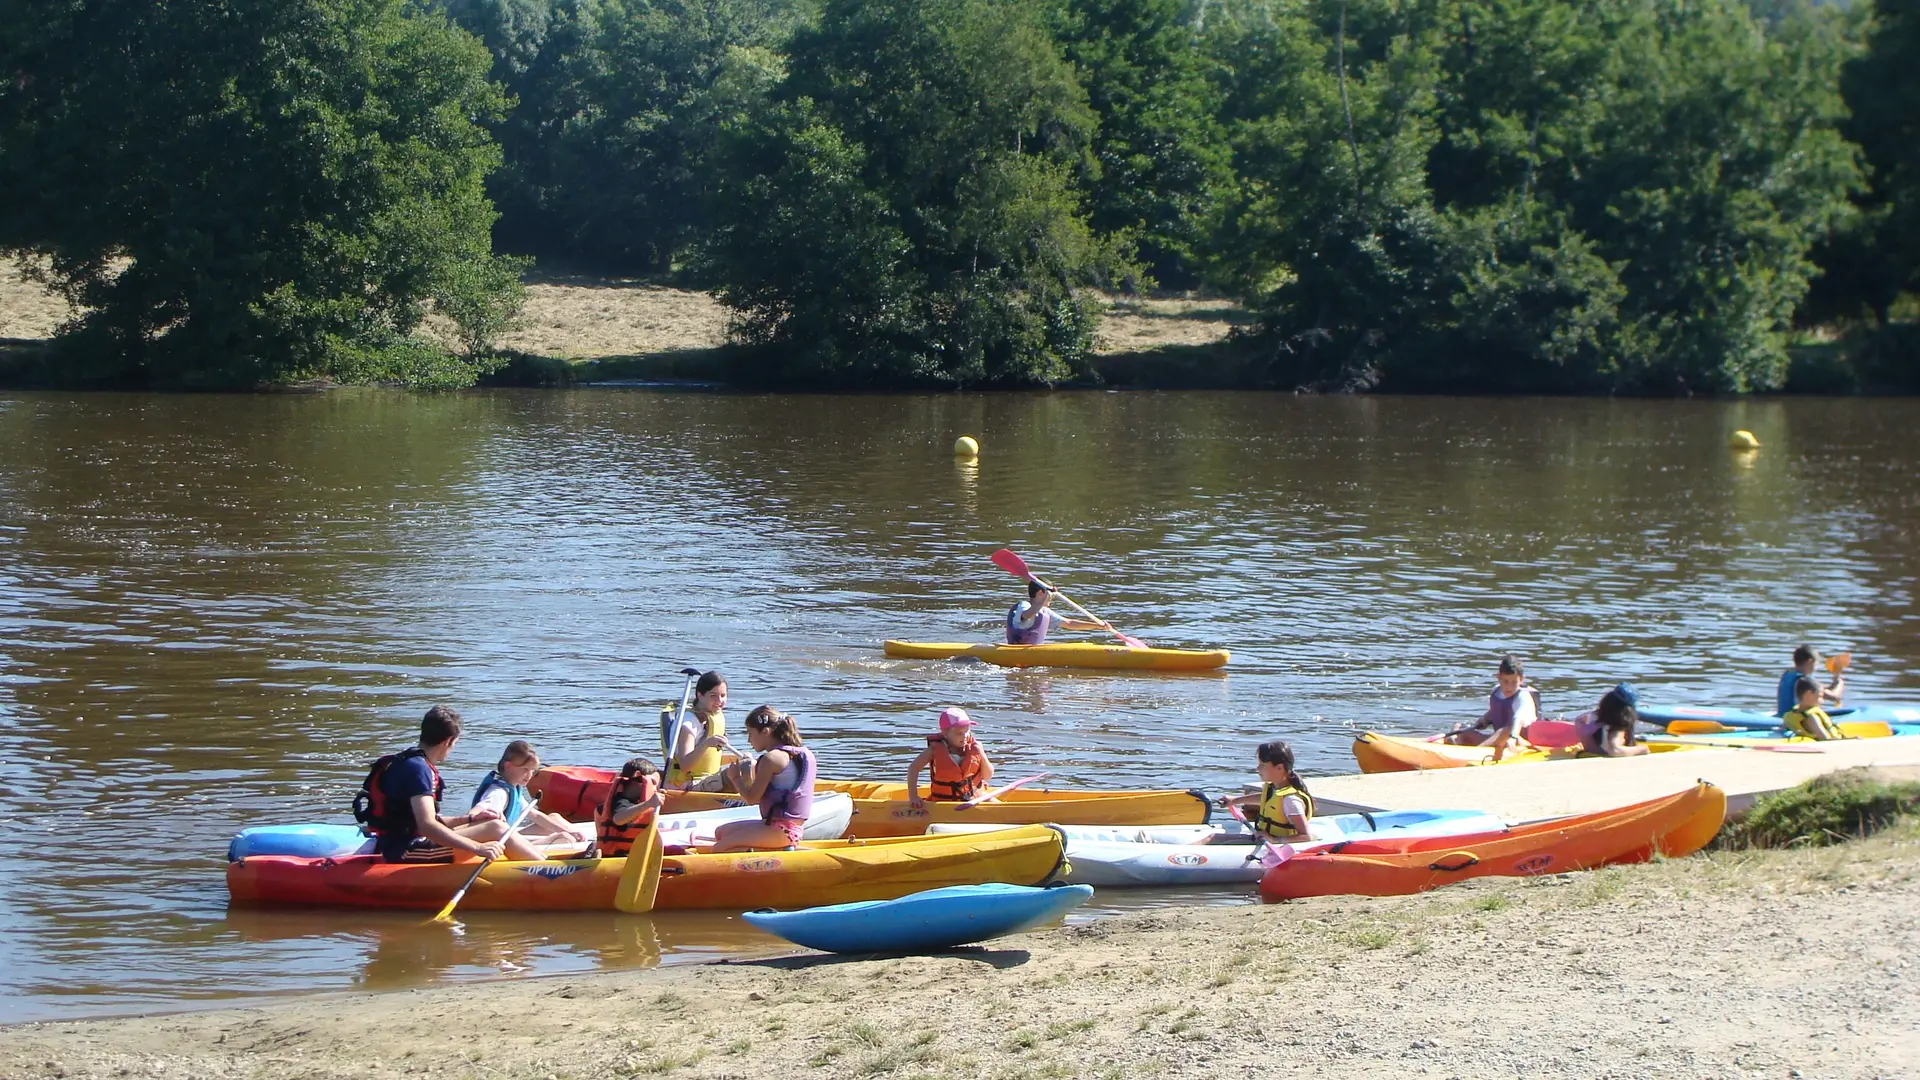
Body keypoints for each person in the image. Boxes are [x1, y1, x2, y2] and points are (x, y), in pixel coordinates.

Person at [356, 706, 542, 864]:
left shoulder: (410, 762)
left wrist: (469, 820)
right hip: (405, 851)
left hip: (409, 840)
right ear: (447, 742)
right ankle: (550, 872)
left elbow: (426, 821)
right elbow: (427, 826)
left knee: (490, 823)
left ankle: (543, 862)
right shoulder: (419, 770)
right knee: (496, 829)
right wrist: (478, 848)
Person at [708, 706, 816, 853]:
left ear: (765, 732)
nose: (748, 740)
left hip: (783, 830)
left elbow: (752, 798)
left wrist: (735, 778)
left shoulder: (771, 759)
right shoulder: (794, 753)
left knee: (719, 849)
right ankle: (769, 850)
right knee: (720, 833)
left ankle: (773, 852)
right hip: (779, 825)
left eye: (750, 733)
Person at [471, 740, 592, 848]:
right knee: (564, 838)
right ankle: (582, 848)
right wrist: (475, 815)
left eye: (532, 771)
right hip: (499, 847)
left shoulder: (512, 788)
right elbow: (476, 811)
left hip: (507, 839)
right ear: (508, 766)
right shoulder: (498, 793)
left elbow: (535, 816)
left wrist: (568, 830)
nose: (529, 775)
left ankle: (583, 841)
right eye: (525, 770)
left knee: (554, 817)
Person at [1443, 654, 1540, 762]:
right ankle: (1455, 744)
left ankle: (1474, 754)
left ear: (1521, 680)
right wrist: (1483, 720)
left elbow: (1517, 720)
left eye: (1514, 682)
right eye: (1505, 681)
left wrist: (1513, 737)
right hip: (1498, 740)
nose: (1509, 687)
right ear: (1498, 677)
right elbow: (1497, 711)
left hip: (1519, 742)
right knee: (1463, 730)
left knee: (1505, 731)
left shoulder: (1523, 697)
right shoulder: (1497, 691)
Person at [1222, 740, 1316, 843]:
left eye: (1262, 765)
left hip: (1276, 845)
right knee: (1211, 837)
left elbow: (1306, 836)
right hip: (1262, 839)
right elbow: (1265, 799)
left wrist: (1274, 840)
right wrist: (1234, 800)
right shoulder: (1274, 789)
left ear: (1279, 768)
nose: (1257, 769)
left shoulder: (1291, 801)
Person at [906, 707, 996, 808]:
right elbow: (913, 768)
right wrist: (913, 796)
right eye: (959, 733)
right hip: (943, 802)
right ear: (945, 733)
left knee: (996, 804)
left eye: (967, 731)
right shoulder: (935, 750)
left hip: (975, 797)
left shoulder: (975, 747)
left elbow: (988, 776)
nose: (964, 736)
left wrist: (983, 756)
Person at [667, 670, 735, 792]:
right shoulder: (688, 724)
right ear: (700, 695)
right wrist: (707, 743)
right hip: (688, 784)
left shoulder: (710, 717)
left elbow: (708, 760)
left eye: (723, 695)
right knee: (742, 772)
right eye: (713, 696)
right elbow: (685, 765)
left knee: (749, 764)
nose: (720, 701)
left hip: (706, 779)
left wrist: (737, 759)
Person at [595, 757, 664, 858]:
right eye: (653, 783)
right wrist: (648, 803)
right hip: (618, 857)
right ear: (638, 776)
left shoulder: (636, 804)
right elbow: (618, 819)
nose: (654, 789)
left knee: (677, 849)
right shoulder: (620, 801)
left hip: (633, 855)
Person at [1005, 582, 1107, 645]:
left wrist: (1098, 626)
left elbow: (1069, 623)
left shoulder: (1045, 612)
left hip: (1033, 651)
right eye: (1050, 598)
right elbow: (1026, 615)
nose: (1049, 603)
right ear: (1041, 593)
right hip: (1015, 649)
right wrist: (1045, 597)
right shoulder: (1024, 605)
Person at [1569, 684, 1650, 758]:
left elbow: (1579, 722)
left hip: (1591, 754)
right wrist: (1642, 749)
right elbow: (1615, 751)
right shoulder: (1618, 727)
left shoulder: (1586, 719)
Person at [1776, 645, 1844, 716]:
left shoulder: (1787, 674)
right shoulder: (1804, 680)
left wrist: (1834, 683)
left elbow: (1820, 689)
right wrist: (1840, 682)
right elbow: (1835, 697)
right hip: (1794, 720)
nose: (1816, 668)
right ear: (1810, 661)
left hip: (1783, 716)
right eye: (1816, 664)